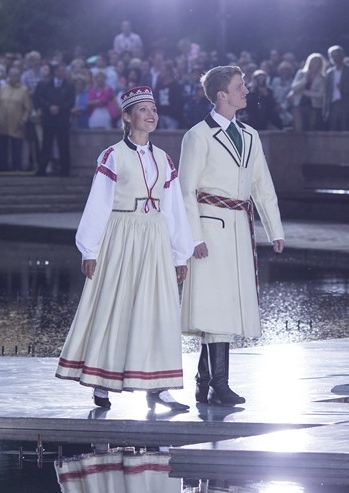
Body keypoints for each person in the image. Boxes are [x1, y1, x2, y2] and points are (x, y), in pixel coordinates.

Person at [55, 86, 195, 411]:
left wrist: (180, 253)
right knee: (114, 305)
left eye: (154, 110)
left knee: (158, 309)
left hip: (155, 237)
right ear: (128, 116)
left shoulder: (164, 159)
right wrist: (89, 249)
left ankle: (158, 385)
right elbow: (98, 204)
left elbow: (173, 208)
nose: (151, 115)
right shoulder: (113, 155)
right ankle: (102, 382)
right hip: (120, 234)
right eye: (143, 110)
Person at [178, 65, 285, 407]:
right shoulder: (198, 135)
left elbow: (262, 186)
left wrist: (275, 229)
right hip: (209, 228)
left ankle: (205, 381)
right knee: (214, 308)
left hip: (239, 226)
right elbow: (186, 190)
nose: (246, 91)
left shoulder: (250, 135)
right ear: (222, 95)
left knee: (224, 306)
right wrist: (194, 236)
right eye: (240, 86)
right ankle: (217, 385)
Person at [34, 62, 74, 176]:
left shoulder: (70, 86)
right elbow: (39, 98)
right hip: (48, 118)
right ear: (55, 71)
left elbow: (71, 102)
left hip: (62, 119)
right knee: (46, 144)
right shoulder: (44, 84)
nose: (63, 73)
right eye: (60, 70)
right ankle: (42, 168)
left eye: (64, 70)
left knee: (63, 145)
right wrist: (49, 107)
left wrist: (59, 108)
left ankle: (65, 170)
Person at [0, 67, 32, 171]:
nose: (13, 77)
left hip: (17, 122)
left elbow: (27, 108)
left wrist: (23, 120)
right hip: (3, 123)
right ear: (8, 76)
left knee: (17, 146)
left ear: (19, 76)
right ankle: (2, 167)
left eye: (16, 75)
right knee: (2, 146)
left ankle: (17, 167)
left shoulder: (24, 90)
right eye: (11, 75)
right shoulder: (2, 89)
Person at [323, 45, 349, 131]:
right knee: (333, 131)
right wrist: (325, 110)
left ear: (342, 56)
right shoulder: (329, 73)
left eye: (337, 55)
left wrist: (344, 88)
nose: (335, 58)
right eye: (333, 56)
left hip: (346, 105)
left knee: (346, 130)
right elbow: (326, 93)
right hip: (333, 106)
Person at [288, 52, 326, 131]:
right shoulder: (301, 73)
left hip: (314, 106)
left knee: (311, 127)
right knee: (299, 127)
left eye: (317, 62)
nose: (315, 64)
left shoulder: (322, 78)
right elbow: (294, 87)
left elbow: (320, 95)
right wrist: (305, 81)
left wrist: (304, 92)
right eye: (313, 61)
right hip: (299, 104)